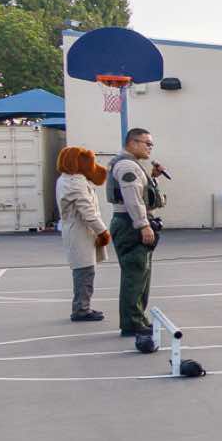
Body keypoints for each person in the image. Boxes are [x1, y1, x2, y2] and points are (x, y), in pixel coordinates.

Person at [107, 127, 165, 342]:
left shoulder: (131, 165)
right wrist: (143, 225)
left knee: (141, 274)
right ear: (132, 143)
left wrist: (153, 177)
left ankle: (138, 317)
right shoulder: (126, 166)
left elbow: (141, 192)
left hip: (130, 221)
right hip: (129, 223)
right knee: (135, 274)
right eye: (147, 143)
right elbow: (132, 198)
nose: (150, 148)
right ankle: (132, 323)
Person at [54, 146, 110, 324]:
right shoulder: (74, 183)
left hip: (78, 230)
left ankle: (83, 306)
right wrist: (103, 231)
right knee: (84, 271)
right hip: (80, 231)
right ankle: (81, 309)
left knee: (85, 270)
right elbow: (88, 212)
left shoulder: (67, 179)